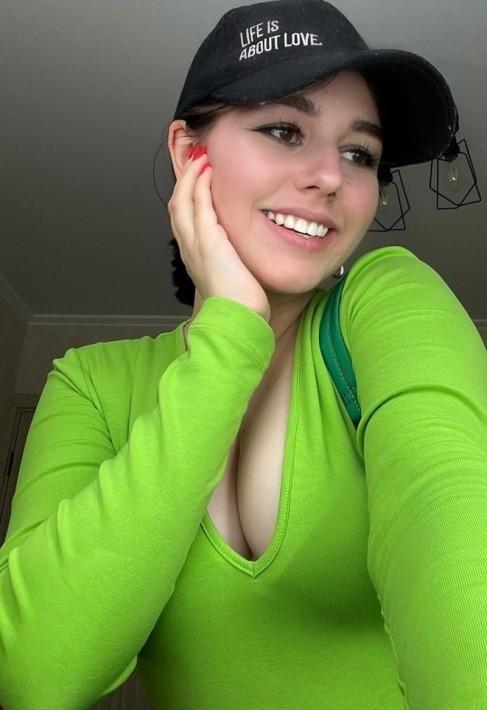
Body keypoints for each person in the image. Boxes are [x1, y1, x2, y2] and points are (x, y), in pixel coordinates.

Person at [0, 1, 486, 708]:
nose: (330, 176)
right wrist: (230, 335)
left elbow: (454, 532)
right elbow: (37, 675)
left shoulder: (387, 301)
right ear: (187, 153)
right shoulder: (91, 384)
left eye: (359, 153)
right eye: (284, 130)